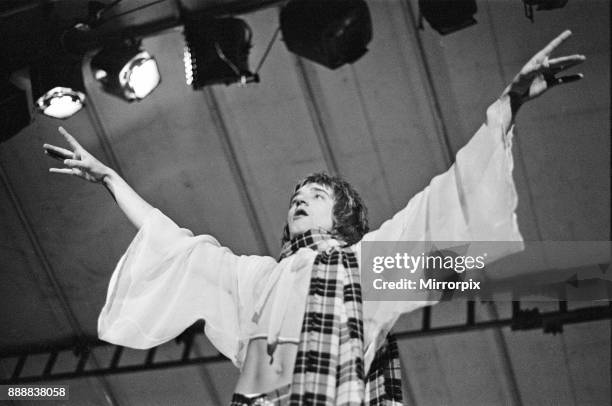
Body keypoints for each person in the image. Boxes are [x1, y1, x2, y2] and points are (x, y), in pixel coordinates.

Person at [43, 31, 584, 405]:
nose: (300, 199)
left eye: (318, 194)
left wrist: (508, 106)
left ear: (343, 213)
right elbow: (175, 242)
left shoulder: (370, 265)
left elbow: (444, 205)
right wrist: (113, 182)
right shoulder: (254, 278)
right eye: (298, 194)